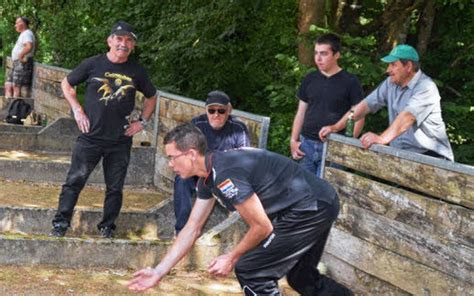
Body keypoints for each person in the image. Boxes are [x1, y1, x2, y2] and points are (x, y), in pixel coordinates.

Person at [128, 123, 352, 295]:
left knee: (252, 270)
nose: (170, 164)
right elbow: (192, 228)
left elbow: (261, 226)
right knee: (301, 277)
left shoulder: (225, 175)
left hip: (311, 207)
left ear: (191, 154)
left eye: (172, 157)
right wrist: (158, 272)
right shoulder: (208, 178)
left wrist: (231, 257)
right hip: (316, 202)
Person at [49, 21, 157, 238]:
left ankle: (107, 226)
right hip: (90, 138)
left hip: (120, 140)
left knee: (115, 188)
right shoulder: (93, 64)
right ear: (110, 41)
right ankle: (61, 224)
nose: (123, 44)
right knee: (74, 181)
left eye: (128, 40)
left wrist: (142, 122)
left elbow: (152, 96)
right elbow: (66, 84)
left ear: (133, 45)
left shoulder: (137, 71)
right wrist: (77, 110)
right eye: (119, 39)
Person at [319, 44, 454, 161]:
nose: (388, 70)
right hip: (404, 156)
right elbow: (365, 105)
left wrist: (381, 139)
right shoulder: (391, 83)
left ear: (408, 66)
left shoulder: (426, 87)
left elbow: (407, 117)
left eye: (393, 65)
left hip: (431, 158)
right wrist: (335, 127)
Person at [173, 90, 250, 234]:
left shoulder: (238, 128)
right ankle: (181, 231)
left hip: (224, 174)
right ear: (206, 110)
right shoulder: (196, 124)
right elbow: (184, 154)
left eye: (221, 111)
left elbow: (244, 159)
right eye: (212, 110)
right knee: (181, 180)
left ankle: (235, 230)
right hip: (199, 172)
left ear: (229, 110)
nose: (216, 115)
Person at [290, 33, 364, 177]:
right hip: (306, 144)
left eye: (323, 53)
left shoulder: (350, 82)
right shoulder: (309, 79)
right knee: (305, 192)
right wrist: (293, 140)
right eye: (316, 53)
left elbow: (359, 116)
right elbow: (301, 112)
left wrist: (347, 145)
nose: (318, 58)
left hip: (334, 146)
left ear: (336, 55)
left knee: (326, 193)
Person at [4, 16, 35, 98]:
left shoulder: (27, 33)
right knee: (8, 84)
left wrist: (20, 55)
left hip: (22, 64)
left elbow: (29, 46)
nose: (15, 25)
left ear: (23, 24)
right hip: (16, 63)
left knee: (16, 86)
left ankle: (15, 108)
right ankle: (7, 107)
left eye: (17, 23)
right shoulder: (23, 34)